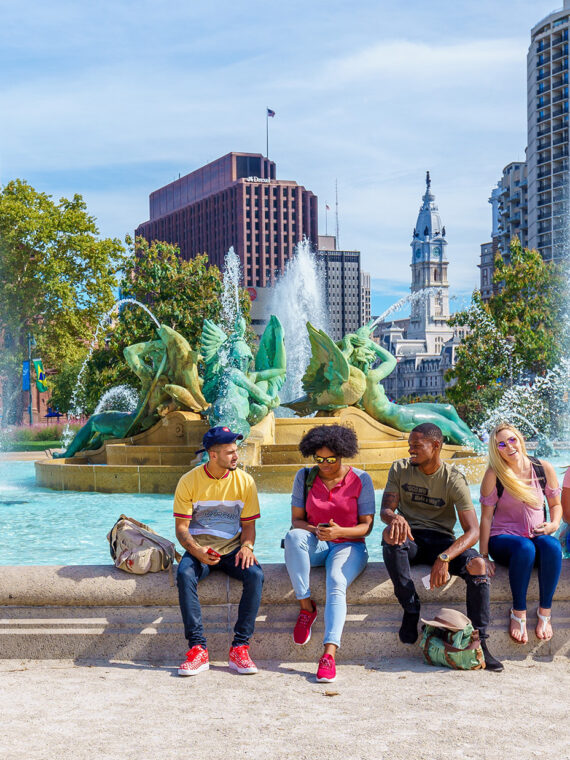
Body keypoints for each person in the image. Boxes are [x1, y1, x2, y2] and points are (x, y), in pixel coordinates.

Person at [381, 422, 503, 672]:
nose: (410, 451)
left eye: (416, 446)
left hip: (441, 539)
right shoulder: (400, 468)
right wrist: (395, 518)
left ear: (435, 446)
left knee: (478, 565)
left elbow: (473, 530)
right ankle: (410, 606)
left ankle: (479, 643)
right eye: (409, 446)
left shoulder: (453, 478)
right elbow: (385, 510)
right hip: (411, 537)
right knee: (390, 534)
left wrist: (445, 557)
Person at [283, 424, 375, 683]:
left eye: (330, 459)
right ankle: (306, 607)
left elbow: (366, 527)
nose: (324, 464)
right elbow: (297, 521)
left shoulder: (361, 479)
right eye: (319, 459)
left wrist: (339, 532)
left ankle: (329, 654)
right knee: (293, 538)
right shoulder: (305, 476)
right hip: (318, 542)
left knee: (336, 581)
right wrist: (316, 530)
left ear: (343, 454)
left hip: (350, 545)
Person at [174, 426, 264, 676]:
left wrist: (247, 547)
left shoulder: (245, 481)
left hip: (233, 549)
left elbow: (249, 527)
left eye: (236, 451)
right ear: (213, 455)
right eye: (229, 452)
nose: (236, 457)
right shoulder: (188, 481)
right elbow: (181, 529)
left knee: (256, 575)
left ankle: (240, 648)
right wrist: (197, 550)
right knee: (184, 575)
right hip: (199, 549)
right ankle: (197, 649)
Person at [479, 423, 562, 643]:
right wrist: (484, 556)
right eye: (502, 445)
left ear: (520, 439)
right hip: (504, 540)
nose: (509, 447)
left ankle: (545, 612)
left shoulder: (542, 467)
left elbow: (556, 505)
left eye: (512, 440)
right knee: (524, 548)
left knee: (553, 547)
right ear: (496, 450)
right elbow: (486, 518)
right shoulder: (494, 475)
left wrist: (553, 525)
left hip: (536, 537)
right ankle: (518, 612)